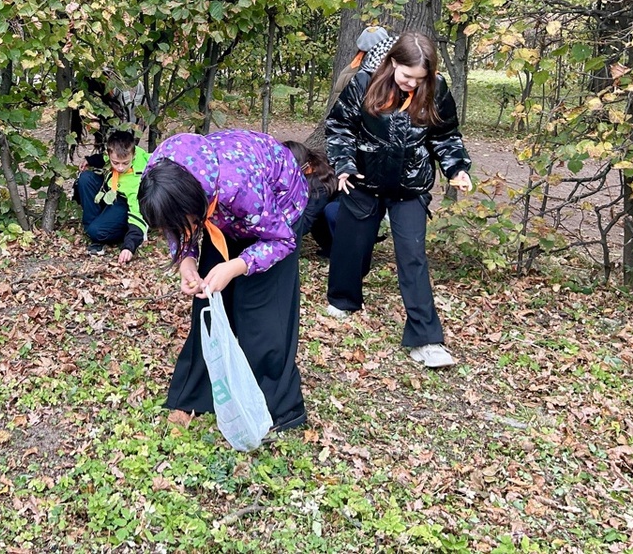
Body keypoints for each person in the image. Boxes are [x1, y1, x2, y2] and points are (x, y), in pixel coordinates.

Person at [137, 130, 308, 434]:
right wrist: (186, 260)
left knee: (262, 314)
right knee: (208, 303)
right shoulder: (162, 177)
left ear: (196, 204)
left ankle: (279, 407)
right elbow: (175, 223)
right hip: (220, 212)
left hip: (275, 212)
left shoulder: (241, 186)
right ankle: (196, 395)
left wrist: (237, 266)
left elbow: (282, 239)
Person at [323, 31, 473, 369]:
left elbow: (446, 135)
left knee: (413, 256)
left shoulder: (436, 90)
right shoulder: (364, 82)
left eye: (420, 80)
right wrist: (344, 165)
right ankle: (343, 300)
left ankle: (426, 339)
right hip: (363, 180)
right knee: (351, 244)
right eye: (406, 76)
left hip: (411, 186)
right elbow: (340, 127)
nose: (411, 84)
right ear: (393, 62)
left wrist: (456, 169)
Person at [73, 129, 149, 263]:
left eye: (125, 163)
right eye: (116, 163)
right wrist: (89, 160)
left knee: (97, 231)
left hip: (125, 205)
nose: (120, 167)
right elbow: (104, 159)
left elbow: (138, 214)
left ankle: (106, 232)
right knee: (86, 178)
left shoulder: (136, 181)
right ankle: (94, 230)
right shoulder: (113, 156)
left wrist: (129, 247)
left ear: (134, 154)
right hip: (111, 192)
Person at [281, 140, 339, 258]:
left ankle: (339, 249)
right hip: (329, 218)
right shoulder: (315, 165)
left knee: (328, 211)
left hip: (349, 219)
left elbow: (307, 221)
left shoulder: (318, 184)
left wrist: (278, 237)